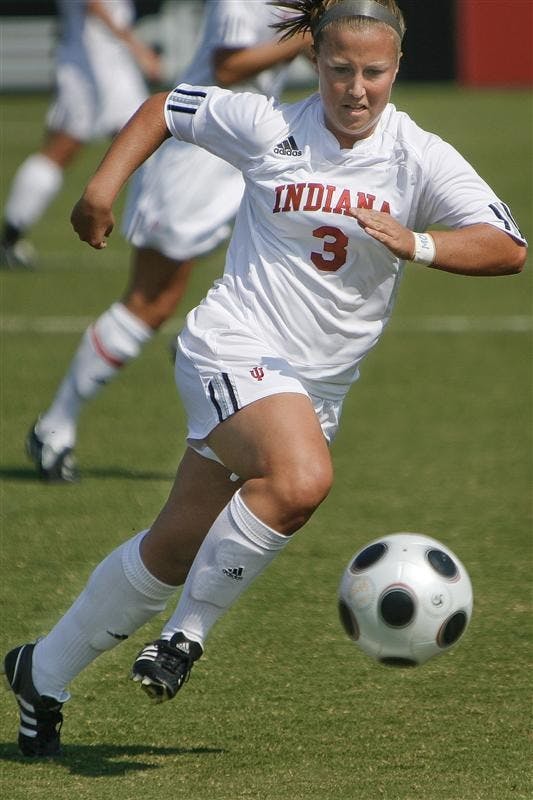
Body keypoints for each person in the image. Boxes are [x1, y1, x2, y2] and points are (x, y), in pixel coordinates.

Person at [3, 0, 526, 758]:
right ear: (315, 64)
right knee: (302, 475)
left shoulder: (418, 156)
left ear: (396, 69)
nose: (355, 88)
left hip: (313, 388)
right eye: (339, 69)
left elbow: (506, 246)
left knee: (173, 548)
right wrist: (100, 188)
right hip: (230, 346)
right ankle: (185, 637)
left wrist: (416, 241)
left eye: (372, 72)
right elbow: (164, 108)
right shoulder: (269, 124)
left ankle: (40, 671)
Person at [24, 0, 311, 482]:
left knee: (279, 269)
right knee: (149, 302)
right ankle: (55, 425)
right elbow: (228, 65)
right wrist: (309, 36)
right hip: (196, 161)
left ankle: (208, 348)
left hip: (244, 158)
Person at [0, 0, 161, 272]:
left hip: (108, 59)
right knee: (62, 149)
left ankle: (160, 232)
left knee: (151, 142)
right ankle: (9, 238)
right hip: (90, 61)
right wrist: (138, 48)